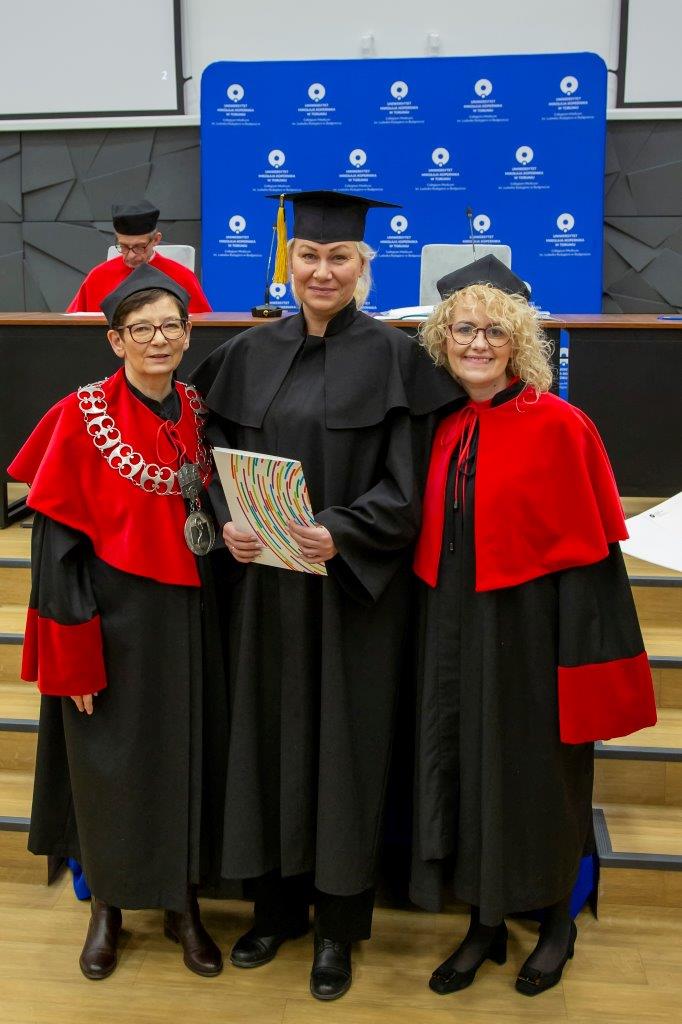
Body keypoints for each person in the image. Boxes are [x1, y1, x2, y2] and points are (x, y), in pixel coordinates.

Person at [190, 190, 462, 1001]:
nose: (321, 271)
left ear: (361, 266)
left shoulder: (395, 359)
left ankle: (338, 928)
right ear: (290, 261)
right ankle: (274, 911)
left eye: (339, 258)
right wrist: (226, 519)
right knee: (267, 743)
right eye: (308, 255)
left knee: (343, 753)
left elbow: (410, 485)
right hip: (264, 595)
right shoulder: (246, 352)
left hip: (350, 597)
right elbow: (208, 452)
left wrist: (344, 530)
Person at [410, 255, 657, 997]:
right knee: (466, 771)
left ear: (519, 342)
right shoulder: (443, 424)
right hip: (455, 626)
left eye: (494, 331)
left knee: (541, 777)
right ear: (442, 340)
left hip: (535, 632)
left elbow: (592, 561)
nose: (477, 343)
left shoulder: (560, 425)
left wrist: (578, 660)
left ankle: (555, 921)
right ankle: (483, 921)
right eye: (463, 330)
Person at [9, 264, 225, 981]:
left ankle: (183, 905)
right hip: (108, 623)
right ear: (114, 339)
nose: (158, 340)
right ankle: (107, 907)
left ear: (188, 333)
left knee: (187, 759)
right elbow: (55, 553)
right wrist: (72, 656)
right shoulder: (80, 415)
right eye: (141, 329)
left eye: (171, 326)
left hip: (188, 621)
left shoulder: (201, 410)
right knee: (107, 768)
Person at [66, 200, 212, 313]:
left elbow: (204, 326)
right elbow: (73, 323)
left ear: (156, 240)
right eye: (123, 246)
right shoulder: (98, 276)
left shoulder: (181, 276)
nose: (130, 256)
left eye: (139, 247)